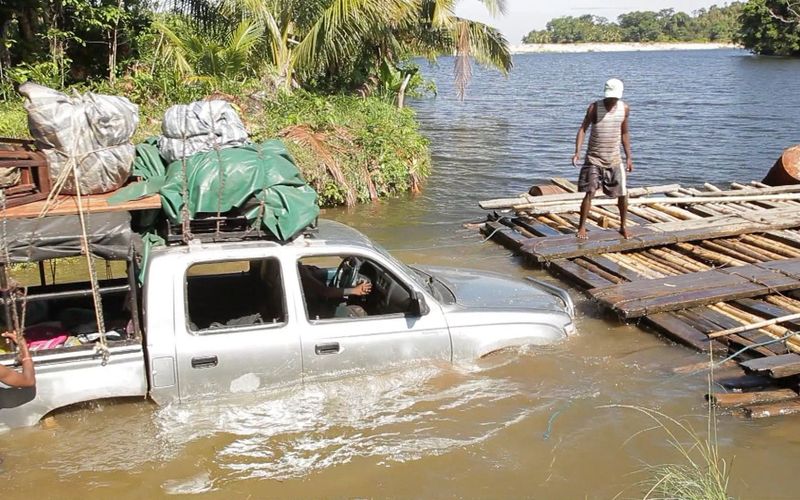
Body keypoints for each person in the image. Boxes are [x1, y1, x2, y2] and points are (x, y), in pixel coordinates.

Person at [572, 78, 634, 239]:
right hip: (594, 158)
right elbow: (583, 129)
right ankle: (582, 227)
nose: (611, 100)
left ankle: (623, 226)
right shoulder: (594, 108)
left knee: (623, 193)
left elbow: (625, 133)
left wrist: (628, 157)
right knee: (590, 192)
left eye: (614, 98)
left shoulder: (624, 108)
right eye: (609, 97)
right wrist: (577, 152)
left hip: (614, 158)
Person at [298, 263, 372, 319]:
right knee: (359, 313)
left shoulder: (298, 267)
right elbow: (325, 292)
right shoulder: (298, 271)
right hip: (312, 310)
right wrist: (355, 290)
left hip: (312, 302)